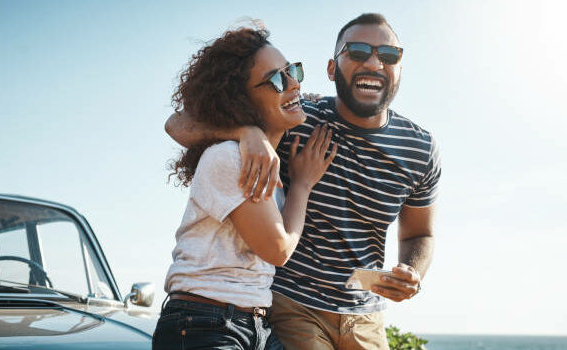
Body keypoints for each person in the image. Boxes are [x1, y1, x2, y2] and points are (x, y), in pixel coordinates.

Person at [165, 13, 441, 350]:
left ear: (399, 68)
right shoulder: (297, 116)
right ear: (331, 68)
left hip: (365, 313)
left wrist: (413, 273)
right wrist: (246, 132)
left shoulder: (420, 149)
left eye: (388, 55)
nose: (373, 63)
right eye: (356, 52)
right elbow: (179, 124)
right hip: (290, 305)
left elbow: (420, 233)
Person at [154, 26, 337, 350]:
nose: (294, 83)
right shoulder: (230, 157)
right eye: (277, 80)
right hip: (204, 324)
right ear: (242, 99)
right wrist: (303, 185)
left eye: (293, 71)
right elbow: (278, 249)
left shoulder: (260, 156)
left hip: (248, 325)